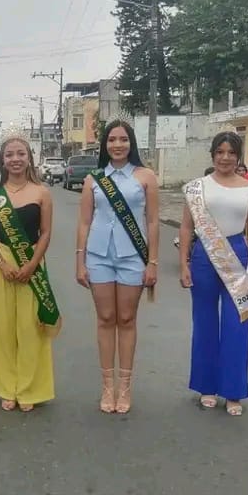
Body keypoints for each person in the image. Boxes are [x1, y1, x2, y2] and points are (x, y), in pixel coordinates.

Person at [179, 131, 248, 416]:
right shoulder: (197, 187)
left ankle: (233, 391)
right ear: (212, 155)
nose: (225, 157)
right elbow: (186, 227)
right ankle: (206, 386)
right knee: (204, 322)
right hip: (203, 257)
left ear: (238, 156)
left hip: (237, 255)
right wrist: (184, 263)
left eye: (231, 152)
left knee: (237, 324)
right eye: (220, 152)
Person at [75, 119, 160, 414]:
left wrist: (152, 262)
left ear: (131, 143)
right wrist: (80, 261)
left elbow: (152, 222)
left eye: (123, 139)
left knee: (126, 318)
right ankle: (107, 387)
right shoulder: (94, 179)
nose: (117, 145)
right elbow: (84, 222)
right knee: (105, 317)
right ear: (105, 144)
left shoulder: (145, 176)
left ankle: (124, 387)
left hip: (133, 257)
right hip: (99, 256)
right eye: (112, 139)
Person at [0, 133, 58, 412]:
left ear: (29, 158)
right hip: (1, 265)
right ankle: (6, 387)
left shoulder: (42, 193)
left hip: (32, 263)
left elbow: (45, 232)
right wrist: (1, 263)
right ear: (2, 160)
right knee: (2, 328)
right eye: (10, 154)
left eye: (21, 154)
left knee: (30, 328)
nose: (15, 159)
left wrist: (32, 264)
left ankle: (29, 388)